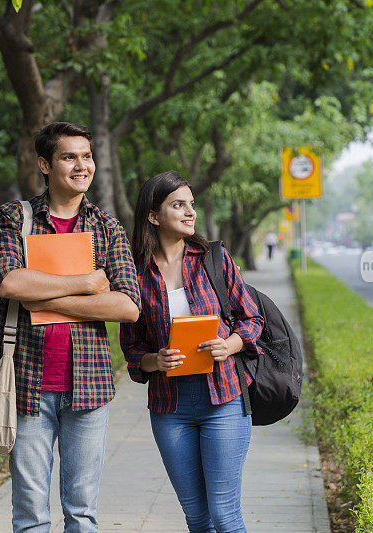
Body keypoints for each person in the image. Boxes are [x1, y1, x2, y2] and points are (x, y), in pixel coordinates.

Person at [0, 121, 140, 532]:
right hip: (27, 385)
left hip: (88, 386)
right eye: (69, 156)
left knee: (82, 512)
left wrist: (44, 295)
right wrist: (86, 284)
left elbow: (127, 306)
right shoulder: (16, 218)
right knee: (31, 515)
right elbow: (8, 282)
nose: (81, 165)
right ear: (44, 164)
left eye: (86, 156)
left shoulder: (106, 228)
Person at [120, 171, 264, 532]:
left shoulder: (212, 259)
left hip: (224, 398)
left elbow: (252, 318)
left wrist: (229, 345)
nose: (190, 213)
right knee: (197, 517)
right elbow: (132, 348)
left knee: (224, 513)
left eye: (191, 205)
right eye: (178, 205)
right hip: (171, 406)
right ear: (153, 216)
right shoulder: (135, 275)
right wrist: (155, 360)